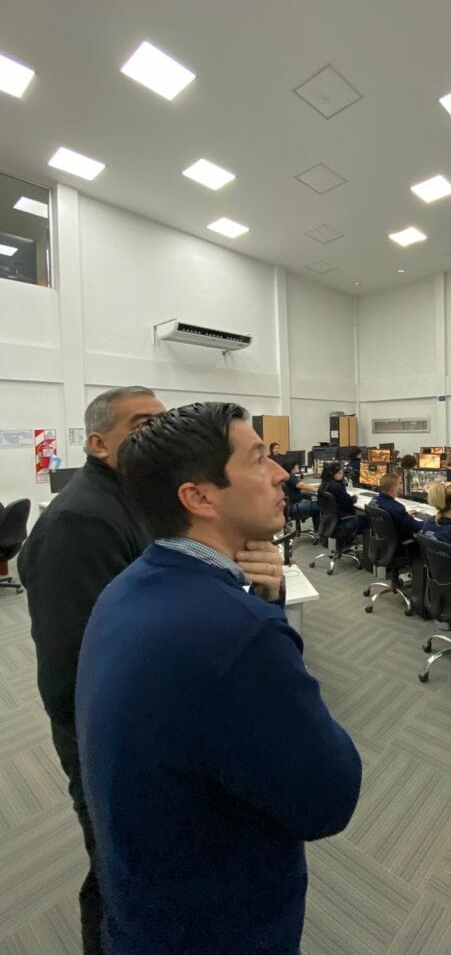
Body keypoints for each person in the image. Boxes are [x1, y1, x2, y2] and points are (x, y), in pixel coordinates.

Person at [75, 403, 362, 955]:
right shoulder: (236, 633)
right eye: (257, 459)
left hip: (143, 908)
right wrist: (264, 623)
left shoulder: (128, 585)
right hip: (216, 927)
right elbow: (330, 800)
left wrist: (263, 600)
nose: (281, 473)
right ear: (200, 498)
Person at [18, 385, 167, 955]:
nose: (160, 435)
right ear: (100, 444)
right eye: (143, 425)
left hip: (135, 728)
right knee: (117, 876)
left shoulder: (132, 499)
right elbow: (73, 667)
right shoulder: (80, 521)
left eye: (165, 423)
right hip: (109, 742)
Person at [372, 471, 423, 556]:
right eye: (399, 484)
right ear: (392, 488)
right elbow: (416, 527)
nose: (399, 487)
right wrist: (432, 521)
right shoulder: (397, 508)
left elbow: (391, 515)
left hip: (383, 542)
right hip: (400, 545)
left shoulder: (374, 500)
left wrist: (405, 514)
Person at [320, 461, 368, 536]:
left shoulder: (324, 484)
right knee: (368, 519)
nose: (342, 475)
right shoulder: (336, 486)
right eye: (339, 473)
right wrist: (354, 497)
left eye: (342, 473)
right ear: (332, 474)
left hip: (330, 520)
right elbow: (349, 502)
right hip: (341, 519)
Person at [282, 458, 320, 531]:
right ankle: (318, 531)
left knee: (314, 504)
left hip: (289, 507)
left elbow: (303, 485)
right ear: (292, 467)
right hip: (294, 507)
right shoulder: (290, 476)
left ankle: (317, 530)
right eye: (296, 465)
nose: (298, 467)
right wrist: (317, 490)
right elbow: (302, 486)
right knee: (319, 507)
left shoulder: (286, 475)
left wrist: (318, 485)